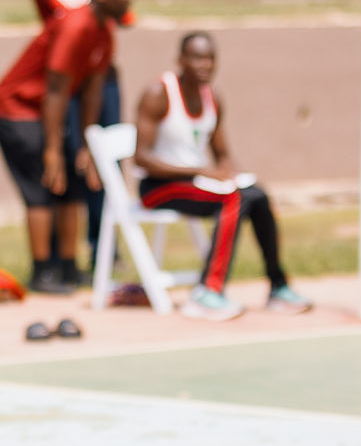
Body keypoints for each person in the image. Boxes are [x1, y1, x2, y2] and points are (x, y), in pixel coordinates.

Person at [132, 32, 313, 319]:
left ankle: (278, 286)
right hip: (158, 187)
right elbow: (141, 157)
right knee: (233, 198)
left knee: (257, 195)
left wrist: (232, 173)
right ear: (181, 60)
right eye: (197, 58)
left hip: (196, 183)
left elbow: (222, 154)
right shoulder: (159, 94)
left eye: (210, 59)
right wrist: (200, 171)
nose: (205, 65)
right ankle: (207, 292)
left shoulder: (212, 98)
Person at [0, 0, 130, 296]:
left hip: (49, 112)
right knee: (42, 187)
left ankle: (68, 267)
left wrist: (86, 145)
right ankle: (43, 272)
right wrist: (52, 151)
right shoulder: (75, 25)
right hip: (17, 108)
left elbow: (92, 91)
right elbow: (54, 90)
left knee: (72, 185)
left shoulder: (104, 32)